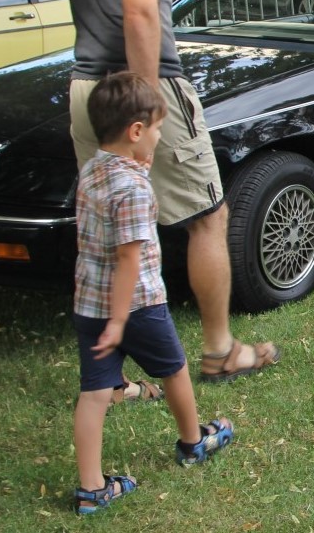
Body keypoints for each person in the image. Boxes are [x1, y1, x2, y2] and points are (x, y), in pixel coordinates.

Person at [61, 0, 277, 383]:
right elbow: (136, 8)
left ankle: (112, 376)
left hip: (84, 88)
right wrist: (147, 102)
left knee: (104, 228)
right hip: (137, 83)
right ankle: (219, 350)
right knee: (209, 214)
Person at [71, 72, 234, 515]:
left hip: (88, 305)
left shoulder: (92, 170)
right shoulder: (135, 189)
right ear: (136, 132)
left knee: (95, 392)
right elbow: (129, 258)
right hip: (137, 305)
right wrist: (122, 320)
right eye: (158, 128)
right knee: (175, 369)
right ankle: (192, 441)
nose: (160, 137)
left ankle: (92, 489)